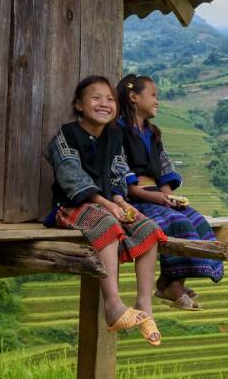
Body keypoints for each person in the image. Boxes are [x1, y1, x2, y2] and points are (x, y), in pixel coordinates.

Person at [44, 75, 166, 345]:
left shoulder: (113, 136)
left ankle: (144, 304)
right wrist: (109, 204)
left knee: (149, 228)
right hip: (71, 206)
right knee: (106, 224)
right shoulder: (66, 136)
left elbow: (118, 174)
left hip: (109, 204)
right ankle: (112, 304)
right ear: (78, 104)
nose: (104, 103)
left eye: (110, 99)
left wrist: (121, 202)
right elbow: (71, 178)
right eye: (96, 98)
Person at [116, 74, 224, 311]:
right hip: (134, 200)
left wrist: (170, 198)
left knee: (197, 220)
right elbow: (124, 179)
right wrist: (157, 198)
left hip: (156, 195)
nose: (157, 101)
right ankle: (171, 287)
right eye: (153, 95)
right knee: (177, 223)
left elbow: (164, 172)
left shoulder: (153, 133)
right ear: (134, 97)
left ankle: (169, 281)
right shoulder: (118, 132)